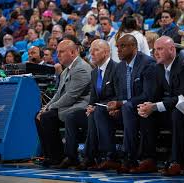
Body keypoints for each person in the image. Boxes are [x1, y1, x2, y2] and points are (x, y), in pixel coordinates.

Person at [53, 39, 118, 169]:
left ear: (106, 52)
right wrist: (91, 106)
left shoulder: (116, 68)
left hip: (113, 109)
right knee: (72, 116)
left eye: (96, 50)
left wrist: (97, 106)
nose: (91, 53)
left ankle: (103, 157)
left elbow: (119, 94)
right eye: (90, 50)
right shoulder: (94, 72)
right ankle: (72, 156)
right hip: (98, 109)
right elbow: (93, 98)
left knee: (96, 114)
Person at [138, 36, 184, 176]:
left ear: (172, 49)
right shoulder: (158, 67)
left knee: (177, 113)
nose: (155, 53)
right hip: (170, 109)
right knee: (146, 113)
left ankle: (177, 161)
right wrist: (148, 105)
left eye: (160, 49)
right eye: (154, 50)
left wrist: (155, 106)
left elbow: (183, 98)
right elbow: (155, 95)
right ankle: (149, 159)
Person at [36, 40, 92, 167]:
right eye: (57, 52)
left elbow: (71, 96)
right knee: (39, 116)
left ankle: (58, 157)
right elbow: (58, 94)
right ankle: (50, 155)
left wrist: (49, 108)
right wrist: (46, 107)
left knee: (47, 116)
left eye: (61, 52)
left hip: (80, 107)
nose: (58, 55)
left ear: (72, 52)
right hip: (69, 106)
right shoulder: (66, 70)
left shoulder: (81, 68)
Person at [106, 34, 156, 173]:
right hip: (127, 109)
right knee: (99, 112)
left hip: (143, 108)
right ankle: (108, 156)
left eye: (122, 46)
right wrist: (116, 107)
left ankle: (129, 157)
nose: (118, 50)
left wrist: (121, 104)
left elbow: (147, 95)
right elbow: (119, 93)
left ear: (134, 47)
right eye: (117, 47)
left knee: (127, 107)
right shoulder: (120, 67)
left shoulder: (147, 63)